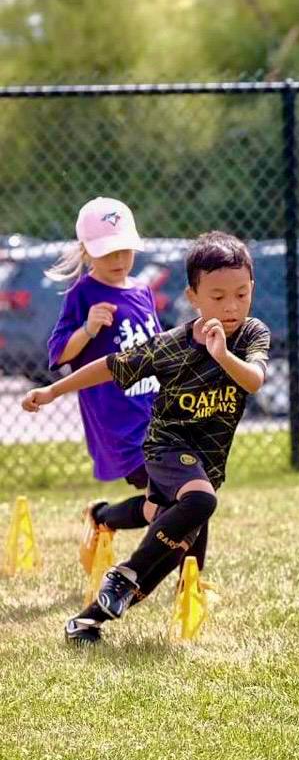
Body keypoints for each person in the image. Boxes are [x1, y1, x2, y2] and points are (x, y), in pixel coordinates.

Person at [22, 232, 270, 644]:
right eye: (218, 296)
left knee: (168, 548)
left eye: (241, 295)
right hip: (166, 449)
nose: (231, 307)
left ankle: (87, 620)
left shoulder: (251, 334)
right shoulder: (171, 347)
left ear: (252, 291)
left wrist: (223, 355)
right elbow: (108, 365)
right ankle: (124, 575)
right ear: (193, 296)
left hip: (206, 458)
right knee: (201, 501)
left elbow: (255, 379)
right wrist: (51, 391)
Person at [45, 197, 164, 571]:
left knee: (169, 501)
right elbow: (60, 353)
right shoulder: (84, 294)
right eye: (107, 252)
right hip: (119, 425)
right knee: (171, 499)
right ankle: (110, 524)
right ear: (86, 252)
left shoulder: (142, 290)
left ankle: (105, 519)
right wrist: (87, 329)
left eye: (124, 250)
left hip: (157, 415)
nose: (118, 260)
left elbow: (158, 348)